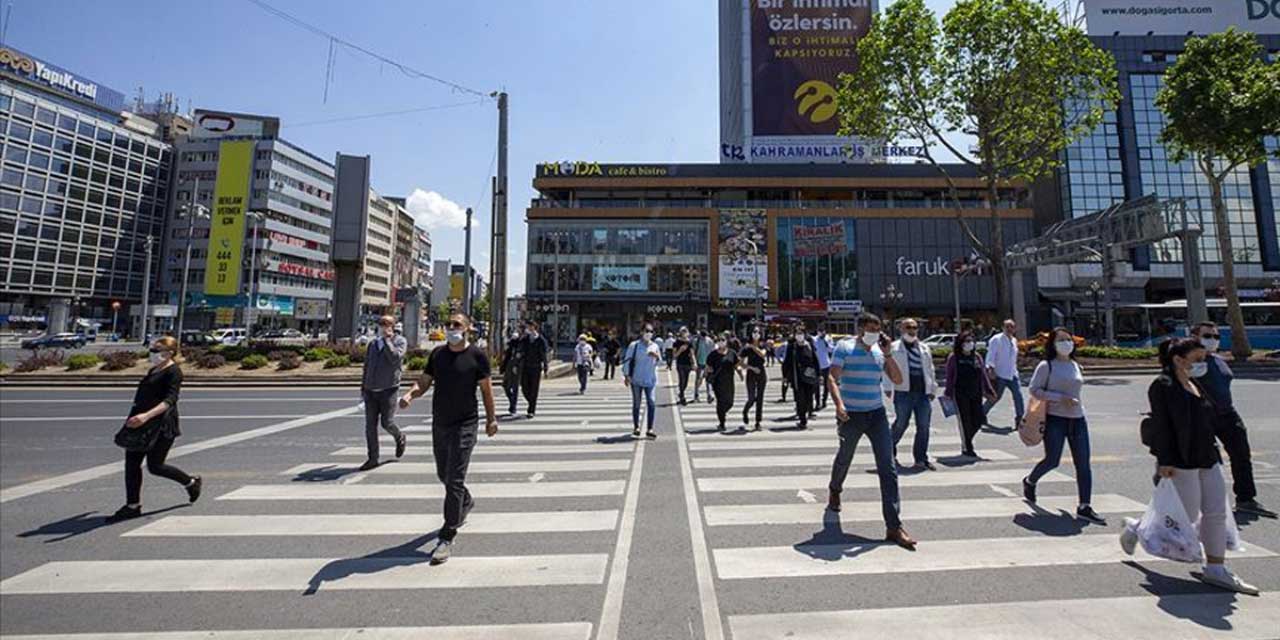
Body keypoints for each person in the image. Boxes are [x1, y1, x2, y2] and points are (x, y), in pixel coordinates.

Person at [1121, 337, 1259, 594]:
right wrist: (1165, 461)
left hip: (1207, 455)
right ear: (1178, 359)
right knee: (1185, 512)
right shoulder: (1162, 386)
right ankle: (1138, 528)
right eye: (1197, 359)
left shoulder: (1196, 384)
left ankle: (1216, 569)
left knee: (1216, 511)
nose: (1202, 363)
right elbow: (1162, 426)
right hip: (1181, 460)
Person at [399, 313, 499, 565]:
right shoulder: (438, 355)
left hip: (465, 423)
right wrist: (410, 395)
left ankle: (447, 535)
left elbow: (486, 390)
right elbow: (424, 381)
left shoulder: (477, 356)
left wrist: (491, 419)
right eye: (449, 325)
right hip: (440, 422)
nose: (451, 328)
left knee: (454, 478)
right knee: (443, 474)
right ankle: (465, 500)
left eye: (457, 325)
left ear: (467, 329)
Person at [826, 313, 915, 549]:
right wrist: (839, 404)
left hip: (876, 414)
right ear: (860, 329)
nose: (876, 331)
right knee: (845, 457)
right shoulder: (844, 347)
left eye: (879, 327)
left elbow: (897, 379)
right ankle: (835, 489)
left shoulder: (879, 351)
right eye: (871, 327)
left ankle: (894, 527)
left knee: (888, 468)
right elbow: (832, 378)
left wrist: (887, 354)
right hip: (851, 414)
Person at [106, 336, 201, 523]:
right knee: (131, 464)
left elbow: (170, 400)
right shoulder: (154, 369)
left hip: (162, 425)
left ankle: (191, 482)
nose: (153, 354)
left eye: (157, 351)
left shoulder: (174, 372)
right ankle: (132, 505)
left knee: (155, 466)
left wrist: (146, 416)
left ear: (170, 353)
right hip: (140, 423)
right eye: (152, 350)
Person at [1191, 322, 1274, 517]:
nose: (1213, 340)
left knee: (1241, 455)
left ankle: (1246, 499)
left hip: (1228, 414)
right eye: (1207, 336)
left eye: (1216, 336)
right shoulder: (1192, 362)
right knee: (1204, 461)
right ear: (1195, 336)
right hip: (1203, 416)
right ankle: (1197, 503)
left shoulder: (1219, 360)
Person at [1022, 328, 1105, 524]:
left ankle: (1085, 506)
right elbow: (1034, 390)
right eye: (1061, 340)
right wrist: (1059, 398)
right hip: (1055, 419)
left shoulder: (1076, 365)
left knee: (1083, 464)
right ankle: (1030, 481)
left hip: (1078, 419)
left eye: (1068, 339)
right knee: (1052, 460)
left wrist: (1071, 402)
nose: (1066, 343)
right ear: (1052, 343)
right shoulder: (1046, 366)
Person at [358, 315, 408, 471]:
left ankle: (400, 437)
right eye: (380, 323)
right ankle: (373, 458)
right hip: (370, 391)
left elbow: (395, 358)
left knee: (387, 423)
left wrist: (387, 341)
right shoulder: (373, 344)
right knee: (370, 426)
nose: (383, 326)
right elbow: (367, 366)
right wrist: (363, 387)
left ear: (393, 326)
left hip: (389, 390)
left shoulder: (400, 341)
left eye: (386, 324)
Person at [888, 318, 939, 470]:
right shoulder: (893, 347)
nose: (912, 330)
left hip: (923, 393)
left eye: (915, 327)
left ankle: (921, 458)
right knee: (901, 424)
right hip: (903, 392)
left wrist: (932, 389)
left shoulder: (924, 348)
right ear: (901, 329)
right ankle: (888, 453)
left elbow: (930, 369)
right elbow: (887, 367)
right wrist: (887, 386)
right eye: (908, 327)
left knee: (923, 426)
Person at [944, 331, 996, 459]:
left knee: (979, 420)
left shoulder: (977, 357)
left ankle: (967, 439)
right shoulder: (954, 357)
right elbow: (949, 377)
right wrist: (948, 393)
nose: (969, 343)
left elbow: (983, 375)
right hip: (960, 393)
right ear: (960, 343)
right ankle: (967, 447)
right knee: (965, 421)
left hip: (976, 392)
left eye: (971, 341)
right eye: (966, 341)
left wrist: (989, 390)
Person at [623, 324, 662, 439]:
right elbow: (627, 360)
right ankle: (636, 427)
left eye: (651, 331)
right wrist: (626, 376)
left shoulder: (655, 346)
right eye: (646, 331)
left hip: (650, 379)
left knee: (651, 402)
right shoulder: (634, 345)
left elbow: (660, 363)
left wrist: (656, 356)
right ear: (641, 332)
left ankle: (650, 428)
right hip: (636, 379)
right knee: (637, 403)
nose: (648, 333)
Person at [983, 319, 1025, 428]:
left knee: (1018, 396)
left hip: (1012, 374)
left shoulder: (1014, 340)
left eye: (1012, 327)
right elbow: (991, 355)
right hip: (999, 374)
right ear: (1003, 328)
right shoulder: (996, 339)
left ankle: (1019, 419)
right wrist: (990, 369)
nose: (1010, 329)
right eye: (1007, 327)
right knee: (995, 397)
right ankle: (981, 415)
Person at [783, 325, 819, 428]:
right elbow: (787, 362)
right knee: (800, 399)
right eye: (797, 333)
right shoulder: (792, 347)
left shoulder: (809, 345)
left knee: (808, 398)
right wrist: (785, 376)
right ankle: (802, 420)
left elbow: (815, 360)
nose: (799, 336)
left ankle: (806, 411)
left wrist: (818, 374)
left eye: (801, 333)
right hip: (796, 377)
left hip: (809, 376)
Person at [706, 334, 742, 432]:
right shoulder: (712, 354)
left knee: (730, 403)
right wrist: (707, 377)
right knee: (720, 402)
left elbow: (737, 364)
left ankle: (722, 413)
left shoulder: (732, 353)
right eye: (719, 340)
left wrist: (740, 372)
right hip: (717, 382)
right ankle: (722, 422)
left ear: (726, 341)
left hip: (729, 382)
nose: (721, 342)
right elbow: (708, 367)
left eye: (723, 340)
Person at [517, 320, 549, 418]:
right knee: (524, 387)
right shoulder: (525, 339)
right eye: (527, 327)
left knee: (534, 388)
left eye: (530, 327)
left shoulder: (541, 339)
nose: (528, 328)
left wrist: (545, 366)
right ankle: (531, 401)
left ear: (534, 327)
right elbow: (519, 348)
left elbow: (544, 354)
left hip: (536, 367)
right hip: (525, 366)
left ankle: (531, 410)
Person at [740, 331, 768, 430]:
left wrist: (753, 347)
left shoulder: (763, 345)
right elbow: (741, 363)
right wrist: (751, 368)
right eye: (754, 332)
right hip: (751, 373)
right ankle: (745, 411)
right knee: (751, 398)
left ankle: (758, 421)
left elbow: (762, 355)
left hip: (761, 373)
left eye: (758, 333)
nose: (756, 334)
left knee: (760, 398)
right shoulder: (746, 348)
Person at [814, 326, 835, 409]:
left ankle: (824, 401)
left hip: (826, 364)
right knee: (816, 385)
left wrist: (826, 343)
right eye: (820, 331)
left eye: (822, 331)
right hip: (817, 365)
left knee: (827, 385)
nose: (821, 333)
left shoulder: (828, 339)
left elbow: (831, 350)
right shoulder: (814, 339)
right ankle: (817, 402)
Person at [501, 330, 522, 414]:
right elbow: (506, 358)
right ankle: (512, 401)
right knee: (505, 386)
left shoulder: (520, 349)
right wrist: (502, 368)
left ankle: (513, 406)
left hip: (515, 369)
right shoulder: (510, 348)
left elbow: (520, 358)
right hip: (508, 369)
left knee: (515, 387)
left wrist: (517, 366)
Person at [673, 327, 695, 404]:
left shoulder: (689, 343)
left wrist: (694, 363)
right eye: (683, 332)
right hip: (680, 364)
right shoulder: (676, 342)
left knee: (686, 382)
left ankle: (681, 393)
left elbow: (692, 354)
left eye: (685, 331)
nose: (684, 333)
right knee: (681, 380)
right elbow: (674, 355)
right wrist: (680, 350)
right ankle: (682, 397)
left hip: (688, 364)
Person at [694, 329, 714, 403]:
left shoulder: (709, 341)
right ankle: (696, 394)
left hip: (707, 363)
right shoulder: (697, 341)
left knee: (708, 380)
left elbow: (712, 352)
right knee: (699, 379)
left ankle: (709, 395)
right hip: (700, 363)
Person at [775, 337, 791, 402]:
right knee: (785, 380)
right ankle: (783, 396)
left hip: (793, 364)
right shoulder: (785, 344)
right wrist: (779, 359)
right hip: (786, 364)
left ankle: (797, 396)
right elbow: (777, 351)